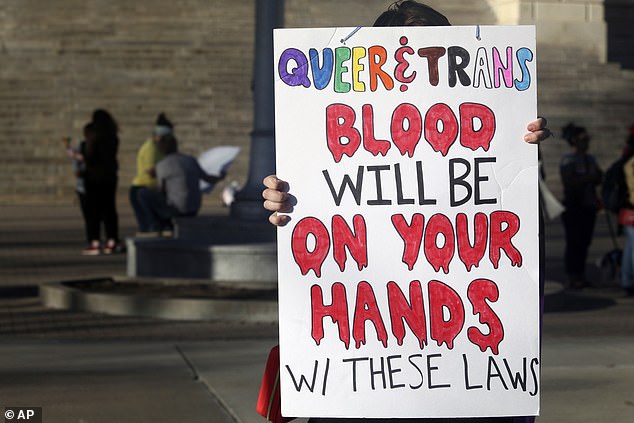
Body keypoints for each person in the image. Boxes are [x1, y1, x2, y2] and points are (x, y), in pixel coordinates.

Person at [262, 2, 553, 423]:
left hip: (468, 395)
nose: (414, 71)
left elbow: (517, 255)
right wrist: (284, 204)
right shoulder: (322, 132)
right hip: (360, 397)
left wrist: (522, 159)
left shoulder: (493, 135)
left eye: (429, 54)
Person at [135, 133, 225, 233]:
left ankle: (155, 226)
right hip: (193, 208)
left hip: (177, 210)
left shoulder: (162, 165)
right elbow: (208, 178)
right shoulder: (190, 160)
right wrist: (221, 176)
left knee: (142, 193)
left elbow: (162, 191)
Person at [559, 123, 603, 288]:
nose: (586, 142)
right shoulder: (569, 160)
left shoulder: (590, 159)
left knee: (585, 242)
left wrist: (596, 177)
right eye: (583, 139)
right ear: (574, 141)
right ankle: (572, 275)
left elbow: (598, 177)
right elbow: (568, 181)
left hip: (588, 205)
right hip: (573, 205)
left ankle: (581, 273)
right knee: (573, 242)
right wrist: (588, 178)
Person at [81, 109, 121, 255]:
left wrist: (81, 156)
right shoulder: (113, 136)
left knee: (93, 211)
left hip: (93, 178)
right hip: (110, 177)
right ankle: (112, 241)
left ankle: (95, 242)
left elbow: (90, 157)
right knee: (109, 210)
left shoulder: (94, 136)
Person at [129, 113, 171, 235]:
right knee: (148, 228)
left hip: (152, 191)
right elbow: (150, 171)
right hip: (142, 190)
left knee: (156, 227)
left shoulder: (160, 148)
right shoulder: (150, 149)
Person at [64, 124, 91, 245]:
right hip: (84, 184)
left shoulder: (96, 146)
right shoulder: (83, 145)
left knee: (93, 214)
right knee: (88, 213)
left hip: (92, 183)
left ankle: (94, 238)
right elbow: (76, 161)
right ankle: (92, 237)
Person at [619, 125, 634, 296]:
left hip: (628, 208)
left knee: (630, 247)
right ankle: (628, 280)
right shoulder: (630, 162)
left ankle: (627, 279)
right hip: (631, 209)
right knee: (631, 248)